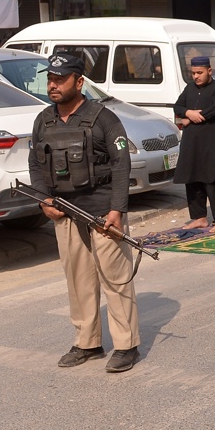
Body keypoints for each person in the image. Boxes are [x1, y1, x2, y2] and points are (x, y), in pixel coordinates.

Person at [30, 52, 141, 373]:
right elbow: (35, 163)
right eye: (50, 79)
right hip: (64, 213)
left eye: (60, 79)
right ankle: (88, 342)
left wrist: (118, 209)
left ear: (79, 82)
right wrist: (43, 200)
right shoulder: (43, 120)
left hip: (103, 212)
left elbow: (122, 164)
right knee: (78, 281)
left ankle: (126, 345)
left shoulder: (103, 118)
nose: (53, 85)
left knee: (115, 279)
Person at [172, 56, 215, 229]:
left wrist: (194, 116)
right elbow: (178, 107)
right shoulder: (189, 88)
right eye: (193, 73)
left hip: (210, 140)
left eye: (199, 73)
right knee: (192, 177)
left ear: (209, 71)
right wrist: (188, 113)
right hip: (191, 141)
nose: (196, 76)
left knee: (212, 178)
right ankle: (199, 217)